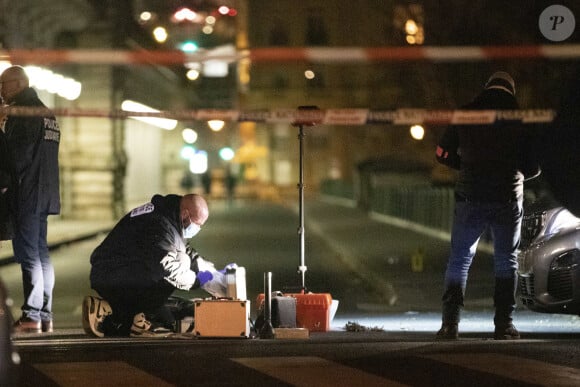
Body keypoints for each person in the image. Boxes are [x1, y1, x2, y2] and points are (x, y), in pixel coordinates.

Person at [435, 71, 541, 340]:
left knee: (459, 260)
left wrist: (465, 167)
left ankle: (450, 324)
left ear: (486, 87)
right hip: (507, 198)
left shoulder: (466, 113)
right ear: (511, 91)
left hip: (470, 196)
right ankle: (503, 325)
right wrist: (516, 174)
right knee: (506, 261)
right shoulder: (522, 118)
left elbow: (441, 153)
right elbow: (534, 166)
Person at [83, 193, 234, 338]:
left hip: (120, 273)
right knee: (177, 271)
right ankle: (115, 316)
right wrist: (197, 280)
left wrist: (212, 275)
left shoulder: (170, 218)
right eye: (196, 224)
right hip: (111, 276)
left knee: (175, 311)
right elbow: (167, 266)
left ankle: (125, 313)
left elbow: (186, 252)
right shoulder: (159, 223)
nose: (197, 229)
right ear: (186, 214)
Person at [1, 66, 61, 334]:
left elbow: (17, 157)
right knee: (41, 253)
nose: (1, 91)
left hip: (27, 192)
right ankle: (44, 314)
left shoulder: (23, 113)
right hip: (45, 191)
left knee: (28, 255)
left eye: (3, 85)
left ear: (17, 85)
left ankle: (31, 315)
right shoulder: (47, 112)